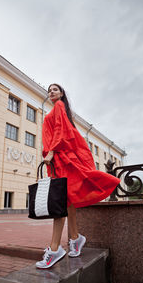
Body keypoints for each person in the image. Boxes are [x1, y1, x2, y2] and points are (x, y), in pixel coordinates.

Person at [36, 83, 120, 269]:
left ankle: (55, 248)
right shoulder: (58, 109)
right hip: (59, 160)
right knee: (68, 200)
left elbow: (60, 130)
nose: (51, 92)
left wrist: (51, 151)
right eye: (49, 90)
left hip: (60, 157)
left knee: (61, 202)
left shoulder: (59, 106)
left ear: (62, 93)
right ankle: (76, 238)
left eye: (55, 89)